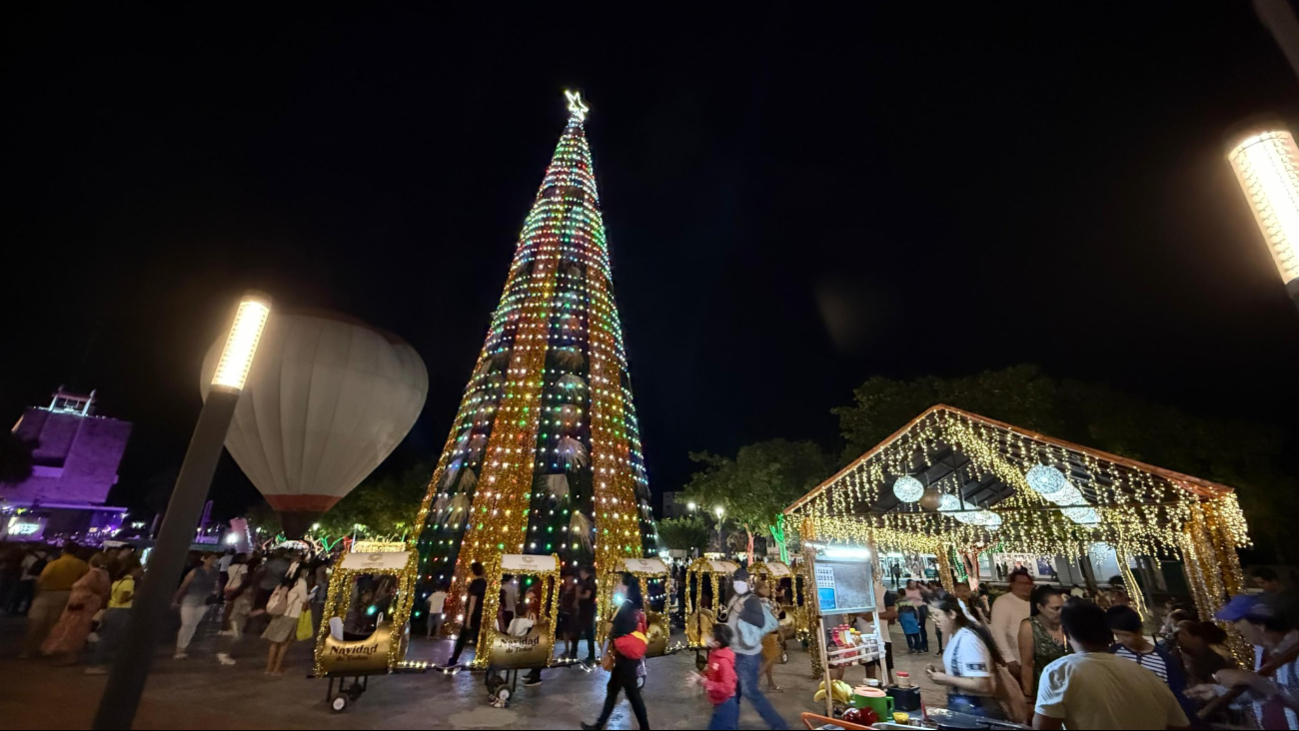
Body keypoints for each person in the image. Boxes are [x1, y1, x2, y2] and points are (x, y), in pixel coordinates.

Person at [1032, 600, 1190, 730]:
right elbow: (1180, 726)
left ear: (1065, 632)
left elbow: (1044, 727)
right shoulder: (1149, 676)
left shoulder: (1059, 672)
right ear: (1109, 633)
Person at [1211, 594, 1299, 730]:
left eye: (1237, 621)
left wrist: (1251, 679)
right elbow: (1266, 693)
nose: (1235, 628)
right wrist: (1216, 691)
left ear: (1259, 625)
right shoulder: (1262, 650)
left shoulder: (1294, 651)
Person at [583, 573, 650, 730]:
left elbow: (624, 630)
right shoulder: (631, 604)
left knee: (630, 694)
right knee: (616, 690)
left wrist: (612, 630)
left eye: (618, 583)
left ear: (625, 587)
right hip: (625, 656)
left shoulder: (627, 605)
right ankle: (599, 725)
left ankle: (644, 727)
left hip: (626, 657)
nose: (615, 586)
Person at [722, 568, 788, 730]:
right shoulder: (734, 599)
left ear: (748, 582)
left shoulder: (751, 600)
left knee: (750, 691)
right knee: (733, 691)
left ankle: (778, 725)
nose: (738, 582)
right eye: (736, 579)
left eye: (741, 580)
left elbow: (758, 622)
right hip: (734, 651)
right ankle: (729, 725)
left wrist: (741, 613)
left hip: (747, 654)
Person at [926, 594, 1006, 720]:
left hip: (977, 711)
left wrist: (946, 679)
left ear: (952, 614)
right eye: (931, 615)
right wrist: (942, 672)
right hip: (964, 709)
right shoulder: (955, 636)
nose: (934, 620)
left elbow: (983, 685)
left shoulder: (968, 640)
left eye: (936, 615)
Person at [1107, 606, 1195, 720]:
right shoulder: (1114, 653)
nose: (1122, 639)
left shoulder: (1165, 659)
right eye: (1117, 635)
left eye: (1126, 635)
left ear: (1139, 631)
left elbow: (1179, 695)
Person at [21, 542, 88, 659]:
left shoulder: (54, 563)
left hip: (46, 594)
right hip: (66, 594)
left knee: (35, 623)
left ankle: (27, 651)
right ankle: (45, 649)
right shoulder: (81, 564)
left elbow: (41, 579)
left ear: (63, 551)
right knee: (52, 624)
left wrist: (37, 594)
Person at [42, 551, 111, 662]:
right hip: (84, 605)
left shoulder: (94, 573)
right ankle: (68, 655)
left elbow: (96, 589)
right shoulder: (103, 573)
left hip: (81, 606)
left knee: (73, 629)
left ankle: (69, 656)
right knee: (74, 629)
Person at [86, 557, 142, 674]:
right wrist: (135, 595)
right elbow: (123, 599)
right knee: (108, 639)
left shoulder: (118, 580)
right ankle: (95, 664)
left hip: (112, 609)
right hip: (121, 611)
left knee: (106, 637)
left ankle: (96, 661)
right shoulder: (129, 582)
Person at [173, 553, 226, 662]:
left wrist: (216, 592)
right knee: (186, 623)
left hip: (204, 601)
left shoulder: (215, 573)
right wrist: (176, 599)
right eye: (210, 558)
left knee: (193, 625)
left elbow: (218, 586)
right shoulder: (195, 571)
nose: (212, 561)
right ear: (204, 559)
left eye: (214, 559)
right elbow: (184, 585)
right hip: (191, 599)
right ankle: (179, 648)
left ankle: (183, 648)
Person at [1018, 585, 1067, 701]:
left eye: (1062, 608)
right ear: (1040, 607)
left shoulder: (1067, 623)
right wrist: (1028, 697)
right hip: (1046, 690)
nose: (1060, 612)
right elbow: (1027, 664)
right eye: (1055, 609)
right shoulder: (1029, 626)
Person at [261, 565, 309, 675]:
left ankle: (268, 668)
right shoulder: (301, 582)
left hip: (279, 613)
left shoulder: (284, 582)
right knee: (285, 644)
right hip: (291, 615)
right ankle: (277, 669)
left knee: (274, 644)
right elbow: (303, 599)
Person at [691, 622, 738, 730]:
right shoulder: (715, 655)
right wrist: (700, 677)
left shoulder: (723, 661)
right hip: (720, 702)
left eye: (710, 635)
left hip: (726, 704)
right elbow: (713, 673)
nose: (707, 637)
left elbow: (728, 687)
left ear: (717, 643)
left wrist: (705, 682)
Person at [991, 569, 1034, 678]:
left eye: (1028, 583)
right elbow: (998, 632)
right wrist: (1009, 659)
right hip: (1017, 660)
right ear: (1012, 584)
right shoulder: (1003, 602)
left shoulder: (1032, 602)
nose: (1025, 587)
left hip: (1033, 661)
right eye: (1021, 583)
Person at [447, 561, 487, 666]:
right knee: (477, 639)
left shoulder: (476, 584)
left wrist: (468, 618)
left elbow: (473, 601)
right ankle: (480, 660)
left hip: (474, 614)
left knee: (463, 638)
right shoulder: (484, 583)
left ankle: (454, 659)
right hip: (479, 614)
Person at [756, 579, 782, 692]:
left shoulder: (762, 602)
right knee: (773, 657)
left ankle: (770, 683)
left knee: (768, 659)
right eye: (765, 587)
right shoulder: (762, 603)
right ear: (759, 590)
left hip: (764, 634)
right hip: (767, 634)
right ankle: (755, 679)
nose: (768, 589)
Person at [576, 565, 598, 663]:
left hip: (587, 610)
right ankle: (590, 654)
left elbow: (587, 595)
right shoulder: (588, 581)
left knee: (589, 632)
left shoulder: (589, 582)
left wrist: (579, 595)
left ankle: (591, 654)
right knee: (586, 631)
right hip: (586, 609)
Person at [904, 580, 930, 652]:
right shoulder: (905, 590)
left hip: (920, 608)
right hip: (910, 610)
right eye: (911, 584)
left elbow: (928, 592)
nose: (913, 585)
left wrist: (921, 586)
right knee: (913, 628)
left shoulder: (919, 590)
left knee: (921, 627)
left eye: (914, 584)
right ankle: (916, 644)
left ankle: (924, 645)